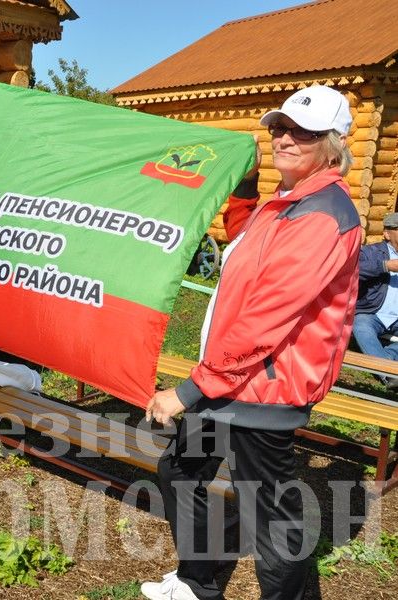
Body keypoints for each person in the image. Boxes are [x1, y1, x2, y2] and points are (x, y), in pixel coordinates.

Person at [142, 85, 361, 600]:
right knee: (179, 469)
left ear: (331, 144)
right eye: (279, 127)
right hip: (230, 379)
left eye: (302, 131)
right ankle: (198, 582)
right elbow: (245, 243)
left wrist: (190, 391)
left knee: (270, 517)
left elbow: (267, 318)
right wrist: (241, 184)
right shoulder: (286, 204)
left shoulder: (324, 214)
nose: (284, 138)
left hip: (264, 391)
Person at [352, 212, 398, 388]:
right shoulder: (371, 252)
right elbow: (355, 270)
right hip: (372, 312)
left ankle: (387, 358)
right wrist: (385, 265)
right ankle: (388, 375)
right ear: (387, 233)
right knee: (361, 325)